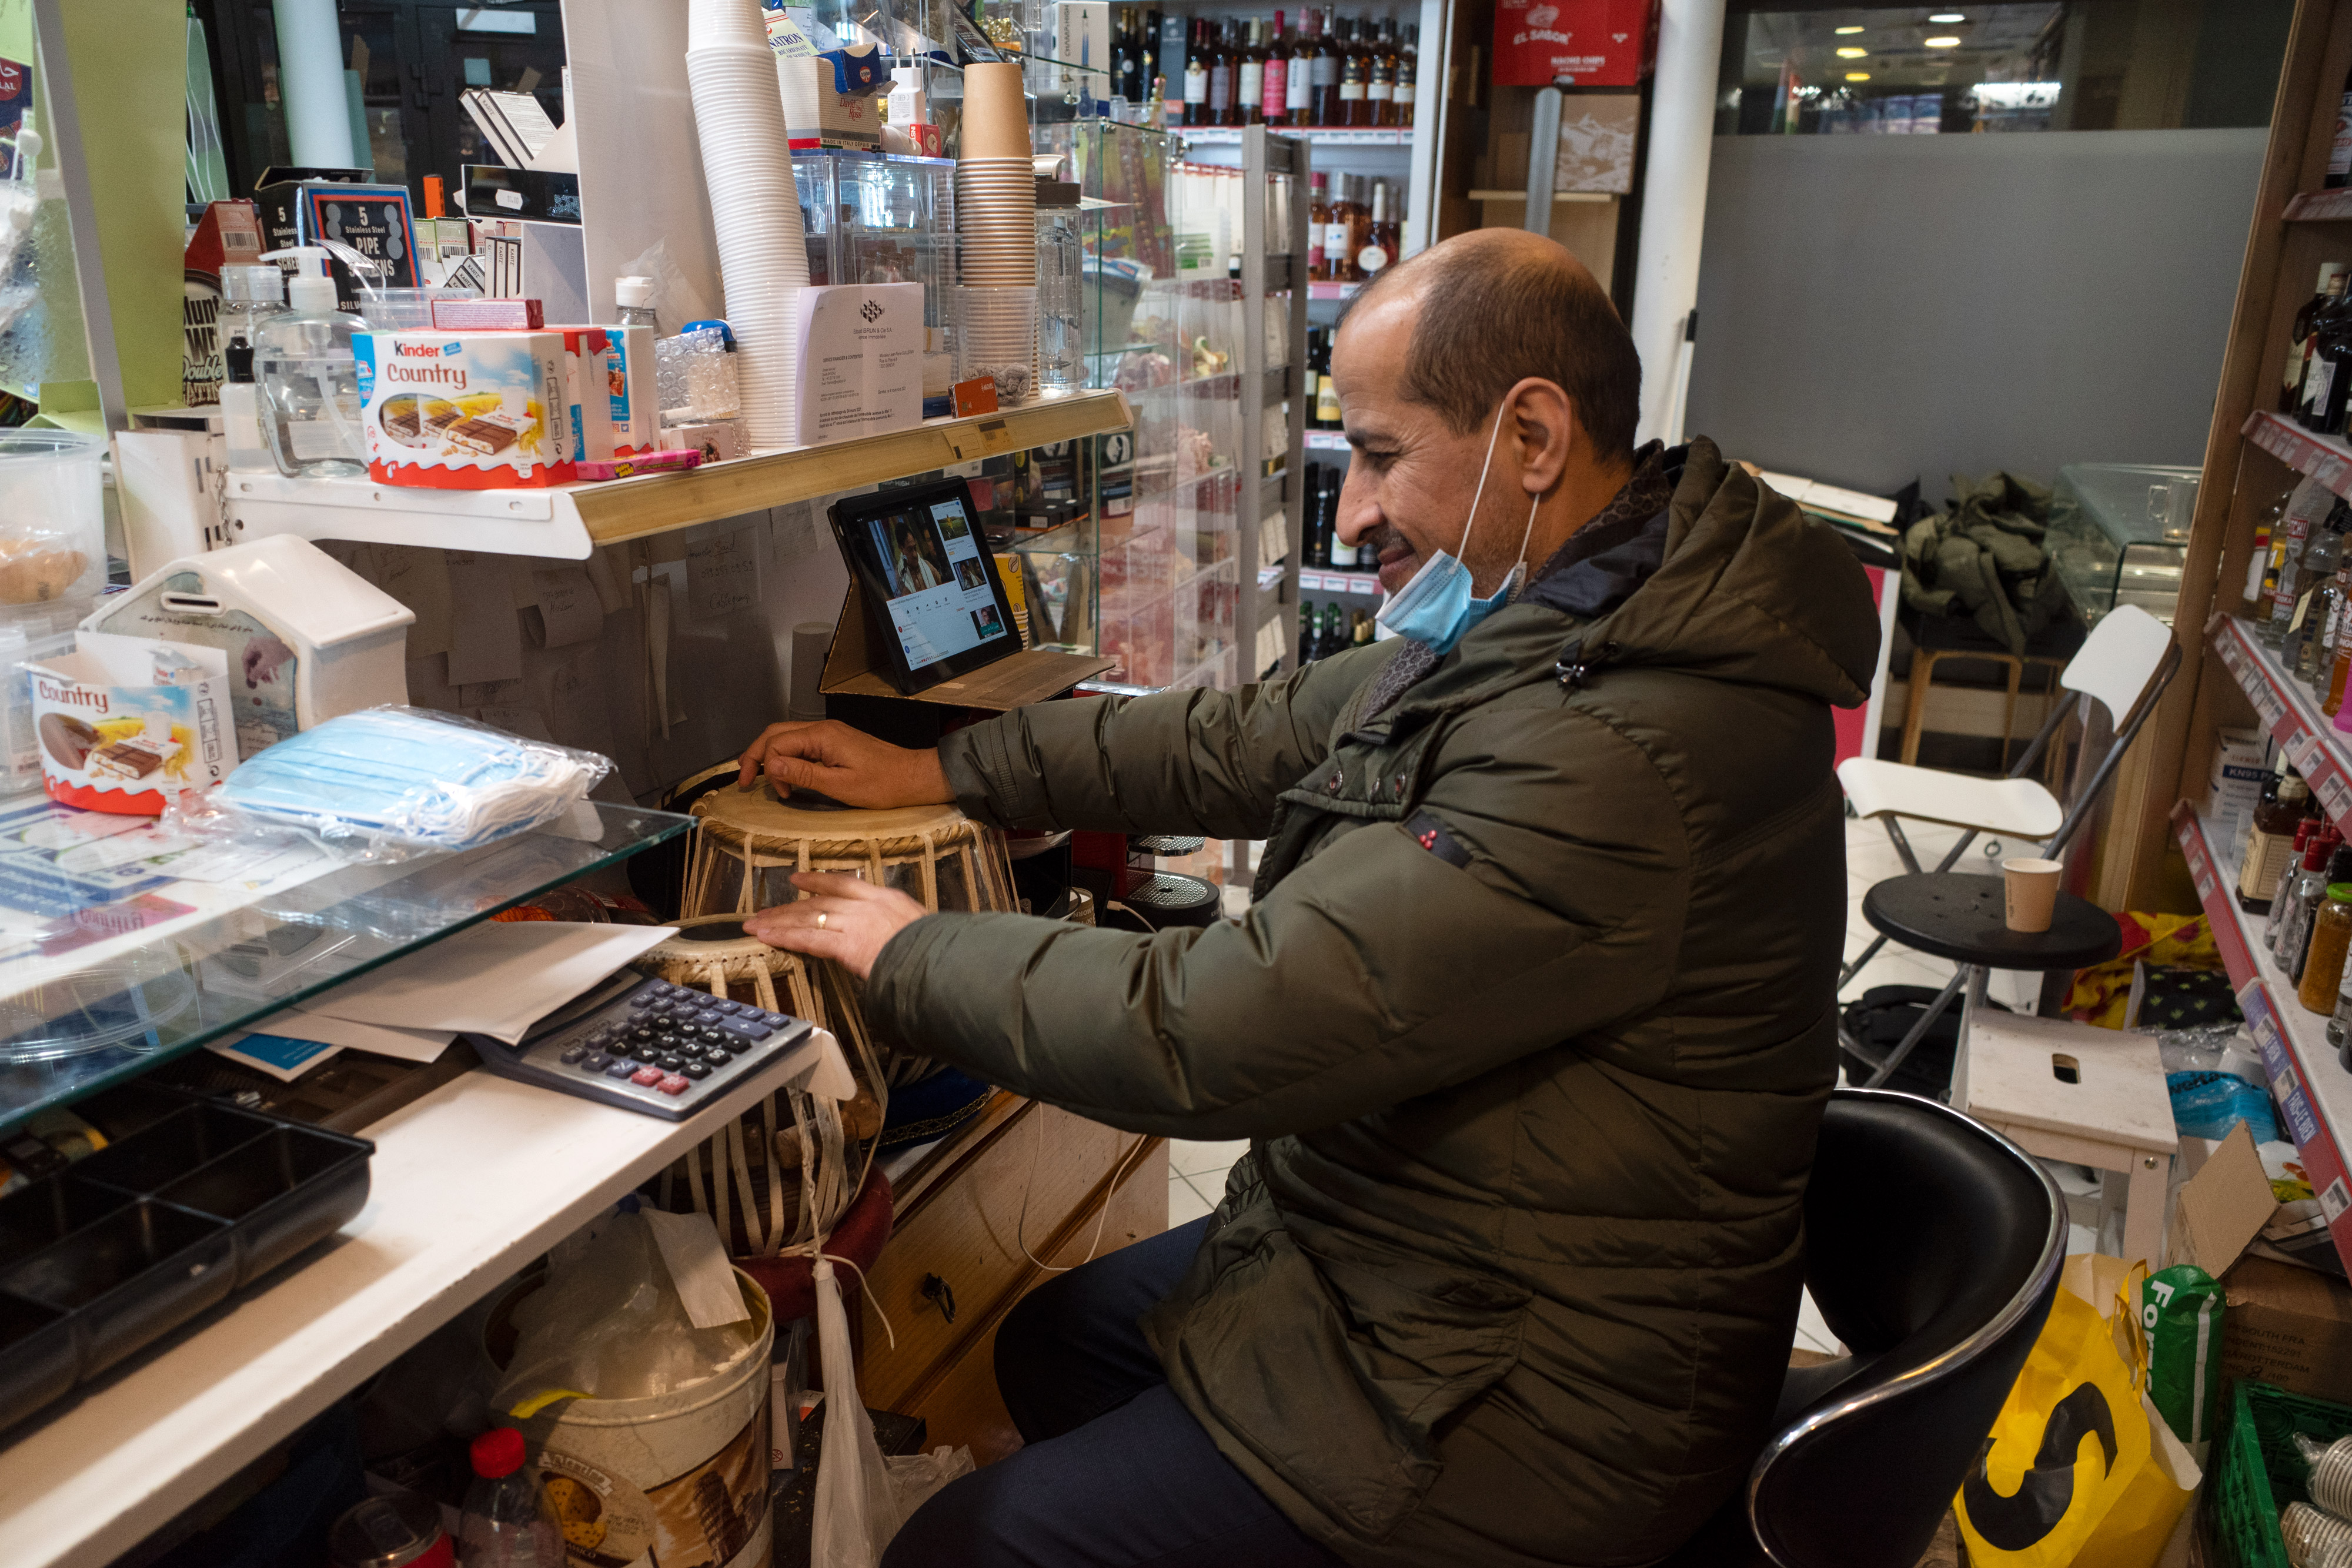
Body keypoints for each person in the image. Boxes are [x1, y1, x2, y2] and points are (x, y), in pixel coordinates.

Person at [737, 229, 1882, 1568]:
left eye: (1383, 457)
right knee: (1052, 1345)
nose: (1349, 513)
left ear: (1530, 435)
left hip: (1536, 1402)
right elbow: (1244, 737)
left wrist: (911, 946)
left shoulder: (1624, 746)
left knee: (965, 1543)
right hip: (1444, 1263)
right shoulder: (1572, 619)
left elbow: (1214, 1031)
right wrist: (946, 763)